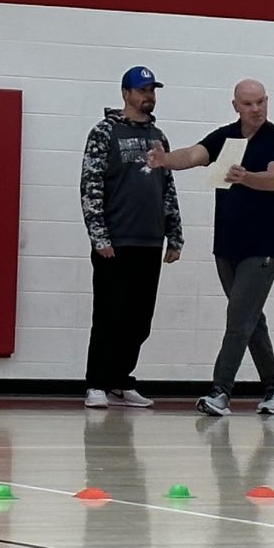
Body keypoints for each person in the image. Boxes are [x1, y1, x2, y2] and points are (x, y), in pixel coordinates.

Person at [147, 79, 274, 417]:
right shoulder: (225, 137)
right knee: (250, 318)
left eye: (260, 102)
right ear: (235, 106)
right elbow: (193, 155)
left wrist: (246, 177)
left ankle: (220, 392)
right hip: (227, 244)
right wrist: (163, 160)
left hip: (264, 246)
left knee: (238, 318)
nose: (255, 109)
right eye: (248, 103)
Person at [81, 66, 184, 409]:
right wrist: (99, 236)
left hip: (149, 241)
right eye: (142, 90)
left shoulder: (158, 137)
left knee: (139, 320)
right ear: (125, 93)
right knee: (109, 315)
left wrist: (175, 234)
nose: (148, 96)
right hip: (115, 241)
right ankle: (96, 383)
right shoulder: (103, 133)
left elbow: (167, 187)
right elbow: (91, 186)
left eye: (152, 89)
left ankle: (120, 381)